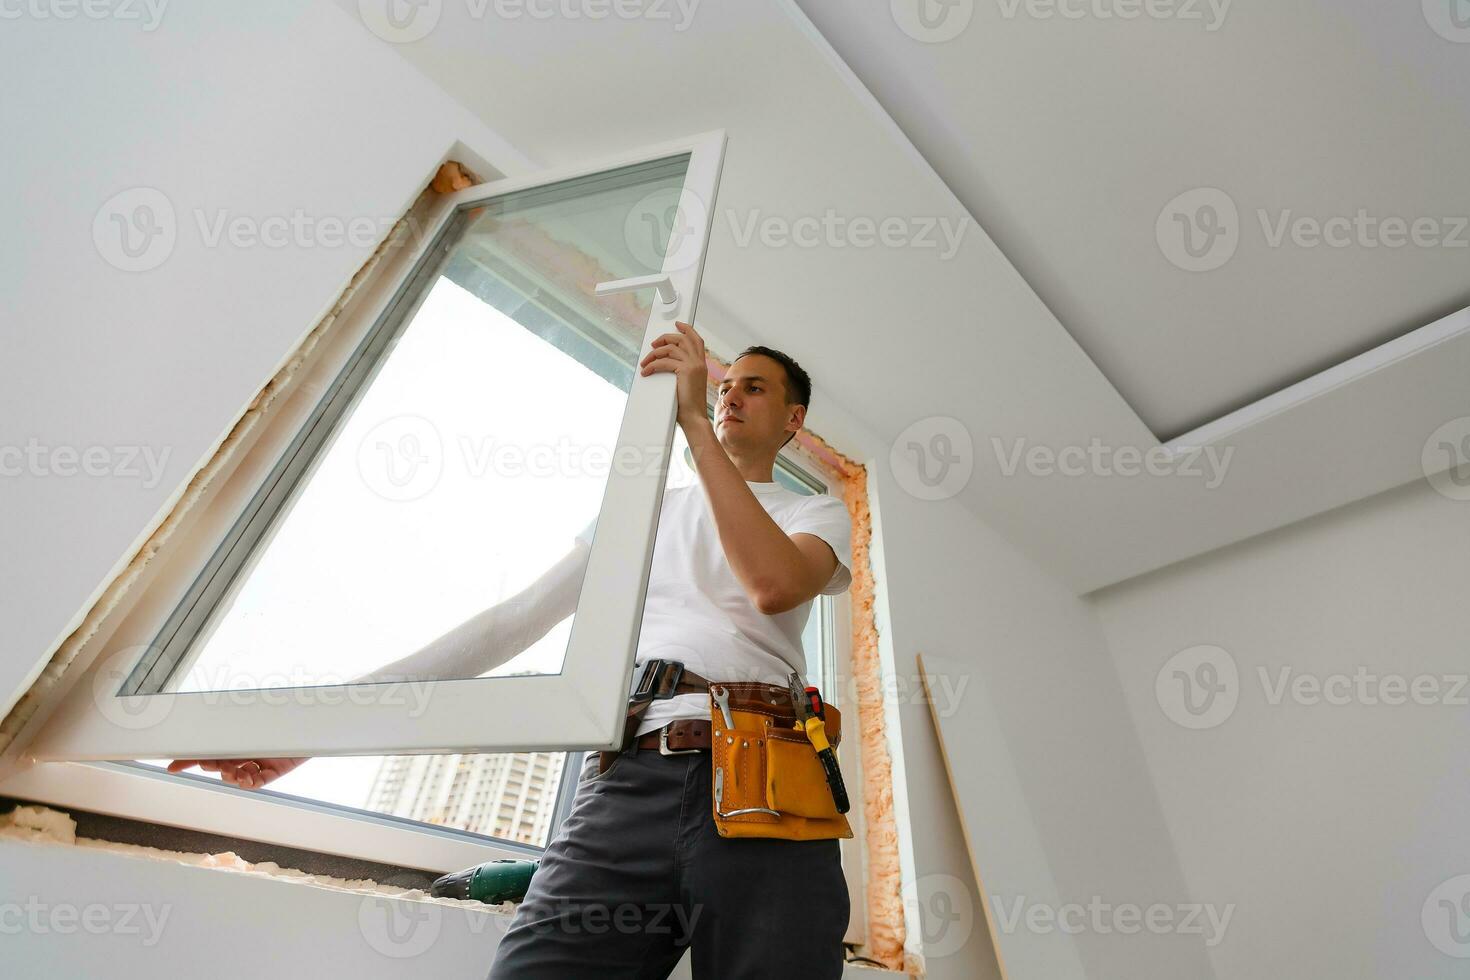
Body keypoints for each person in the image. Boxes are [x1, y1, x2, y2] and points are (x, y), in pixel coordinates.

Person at [170, 321, 855, 977]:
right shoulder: (644, 509)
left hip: (769, 783)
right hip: (626, 781)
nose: (730, 393)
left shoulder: (811, 514)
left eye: (755, 387)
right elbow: (511, 624)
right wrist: (308, 731)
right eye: (724, 383)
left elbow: (772, 585)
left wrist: (696, 427)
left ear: (793, 421)